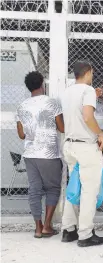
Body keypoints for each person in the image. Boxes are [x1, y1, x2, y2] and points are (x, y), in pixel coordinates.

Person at [60, 61, 103, 247]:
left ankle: (68, 229)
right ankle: (85, 234)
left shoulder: (67, 91)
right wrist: (100, 133)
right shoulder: (88, 91)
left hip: (70, 145)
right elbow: (88, 117)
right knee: (89, 190)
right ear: (88, 72)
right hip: (86, 146)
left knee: (74, 187)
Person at [16, 71, 64, 238]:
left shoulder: (21, 106)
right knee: (53, 188)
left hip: (30, 153)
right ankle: (47, 226)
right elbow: (62, 128)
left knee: (34, 190)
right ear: (42, 84)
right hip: (49, 153)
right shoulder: (52, 103)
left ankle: (38, 227)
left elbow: (21, 135)